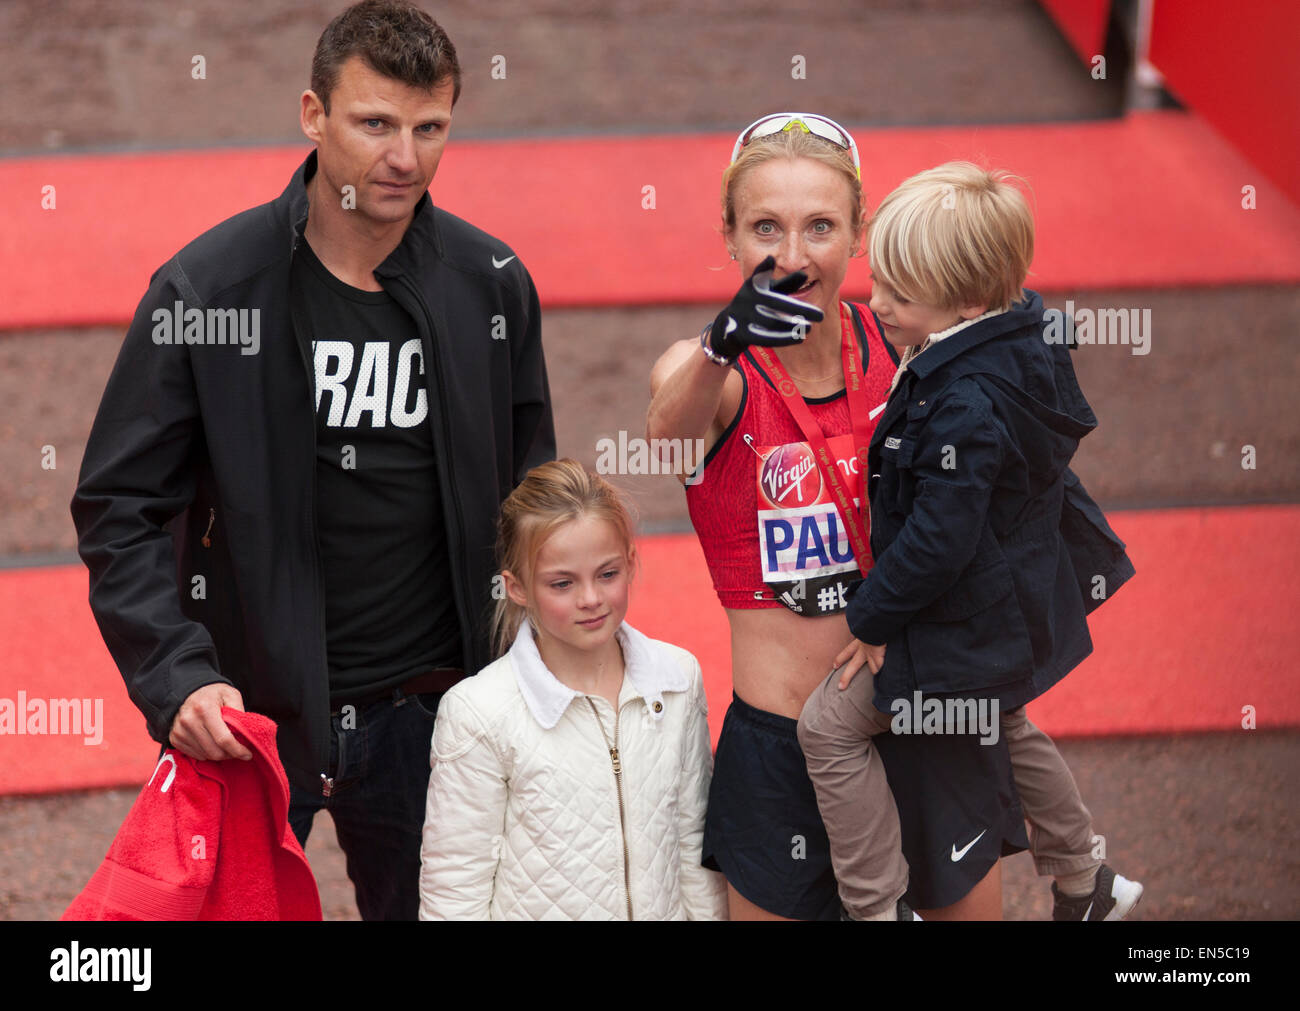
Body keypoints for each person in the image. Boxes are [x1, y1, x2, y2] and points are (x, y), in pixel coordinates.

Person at [70, 0, 553, 920]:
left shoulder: (489, 286)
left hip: (435, 713)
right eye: (374, 123)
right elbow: (118, 505)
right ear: (312, 115)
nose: (403, 157)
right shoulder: (207, 289)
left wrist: (545, 654)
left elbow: (533, 494)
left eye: (429, 127)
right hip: (252, 718)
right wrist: (176, 675)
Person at [647, 114, 1029, 921]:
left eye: (820, 225)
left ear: (859, 234)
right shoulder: (707, 371)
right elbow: (664, 437)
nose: (792, 256)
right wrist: (721, 344)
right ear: (728, 237)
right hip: (785, 750)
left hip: (929, 718)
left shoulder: (913, 352)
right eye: (765, 228)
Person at [798, 161, 1144, 922]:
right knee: (1004, 721)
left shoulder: (964, 403)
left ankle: (877, 904)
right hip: (1007, 602)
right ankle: (1087, 879)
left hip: (967, 613)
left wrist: (869, 619)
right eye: (878, 278)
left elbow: (936, 542)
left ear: (971, 300)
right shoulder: (1016, 340)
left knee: (826, 727)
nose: (876, 302)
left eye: (900, 294)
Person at [418, 460, 727, 920]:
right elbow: (456, 886)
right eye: (562, 583)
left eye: (608, 574)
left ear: (630, 561)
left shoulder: (677, 678)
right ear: (517, 588)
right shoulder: (477, 713)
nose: (590, 599)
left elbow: (693, 850)